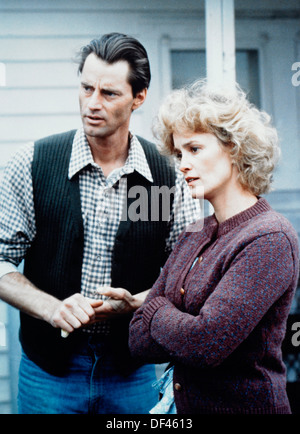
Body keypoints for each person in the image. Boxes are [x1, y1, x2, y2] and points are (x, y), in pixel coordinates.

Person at [0, 33, 200, 414]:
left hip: (133, 371)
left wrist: (139, 303)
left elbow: (190, 275)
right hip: (48, 373)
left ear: (138, 97)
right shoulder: (34, 164)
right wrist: (51, 308)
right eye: (86, 88)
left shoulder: (165, 178)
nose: (92, 103)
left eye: (108, 93)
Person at [129, 79, 300, 414]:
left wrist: (154, 309)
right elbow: (137, 341)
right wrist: (179, 322)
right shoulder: (195, 232)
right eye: (179, 153)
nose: (182, 165)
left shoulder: (269, 238)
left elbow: (204, 344)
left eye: (194, 149)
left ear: (234, 148)